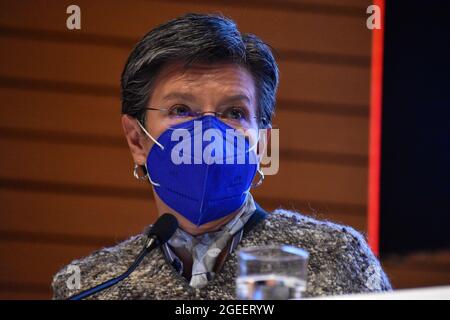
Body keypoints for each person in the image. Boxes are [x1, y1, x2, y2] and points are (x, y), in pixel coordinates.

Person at [52, 13, 391, 300]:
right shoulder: (91, 285)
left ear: (260, 141)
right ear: (137, 139)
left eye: (233, 112)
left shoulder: (335, 258)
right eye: (181, 109)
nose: (210, 134)